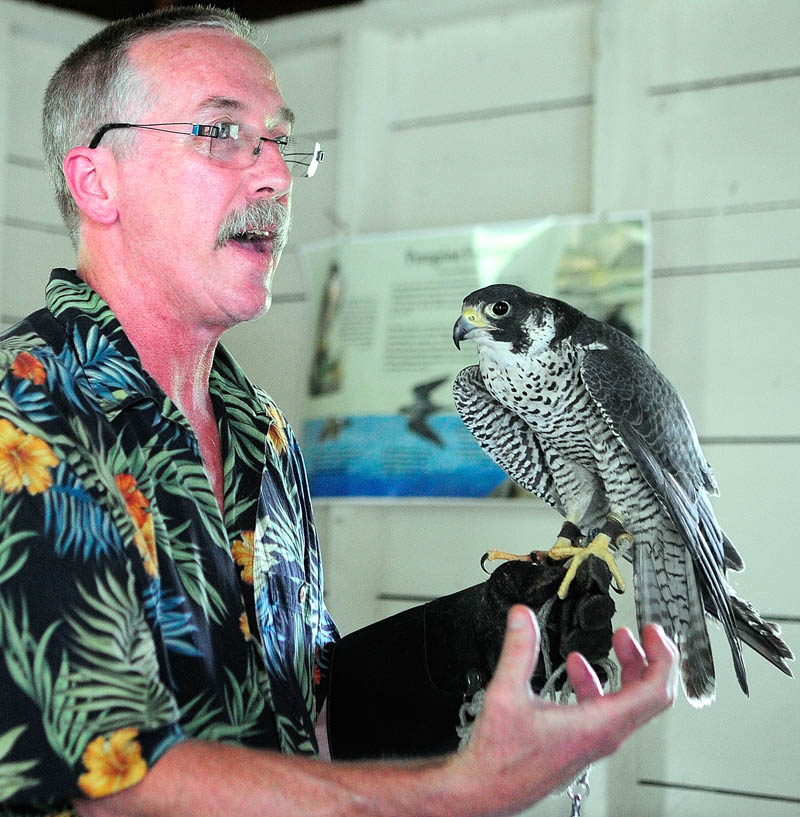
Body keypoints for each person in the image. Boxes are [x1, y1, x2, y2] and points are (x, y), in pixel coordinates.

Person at [0, 6, 678, 816]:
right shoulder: (26, 415)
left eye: (278, 141)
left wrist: (474, 659)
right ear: (95, 182)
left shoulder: (263, 429)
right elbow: (114, 785)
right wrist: (458, 792)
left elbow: (304, 711)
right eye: (221, 134)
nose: (276, 175)